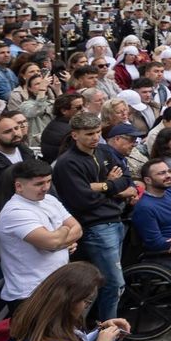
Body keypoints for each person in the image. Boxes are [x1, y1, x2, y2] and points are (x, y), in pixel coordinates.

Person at [51, 112, 137, 323]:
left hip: (115, 221)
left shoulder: (104, 150)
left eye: (98, 132)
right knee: (113, 283)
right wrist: (112, 189)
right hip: (96, 227)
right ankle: (109, 335)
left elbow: (126, 178)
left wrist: (103, 186)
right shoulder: (67, 163)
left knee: (110, 283)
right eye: (89, 133)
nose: (95, 137)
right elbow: (83, 199)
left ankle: (109, 331)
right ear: (75, 135)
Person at [0, 159, 81, 314]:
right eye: (39, 184)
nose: (46, 188)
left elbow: (78, 229)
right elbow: (52, 242)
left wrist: (60, 239)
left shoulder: (49, 200)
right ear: (19, 186)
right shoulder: (15, 212)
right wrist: (64, 232)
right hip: (31, 294)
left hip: (58, 287)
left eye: (48, 181)